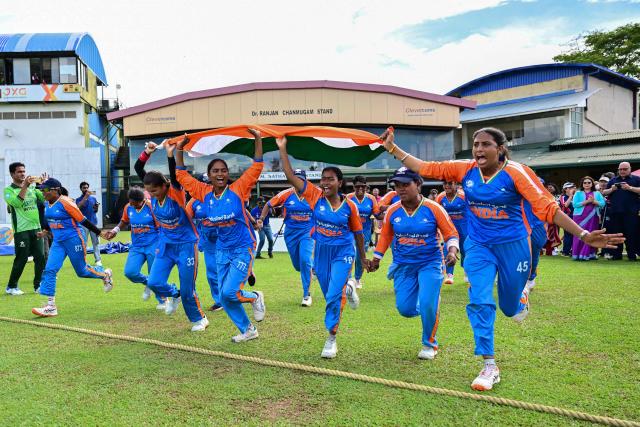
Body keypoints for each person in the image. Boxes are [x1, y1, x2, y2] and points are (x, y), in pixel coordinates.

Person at [379, 126, 623, 391]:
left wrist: (583, 233)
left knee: (508, 308)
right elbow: (426, 167)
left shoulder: (515, 173)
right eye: (475, 144)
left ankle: (519, 296)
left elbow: (548, 208)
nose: (479, 150)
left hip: (514, 247)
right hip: (479, 246)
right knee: (480, 300)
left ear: (501, 149)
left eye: (485, 145)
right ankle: (489, 364)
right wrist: (392, 148)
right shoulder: (466, 169)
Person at [275, 135, 367, 359]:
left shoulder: (350, 207)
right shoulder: (315, 197)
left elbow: (359, 235)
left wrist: (363, 260)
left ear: (340, 182)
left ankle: (331, 338)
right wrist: (282, 149)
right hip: (322, 254)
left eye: (330, 179)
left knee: (333, 296)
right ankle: (348, 288)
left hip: (343, 253)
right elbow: (290, 176)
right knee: (330, 295)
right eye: (323, 179)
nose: (325, 183)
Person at [174, 129, 266, 342]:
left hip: (243, 247)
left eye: (223, 170)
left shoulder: (239, 189)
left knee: (231, 292)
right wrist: (180, 148)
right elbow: (181, 174)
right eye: (215, 171)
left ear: (228, 173)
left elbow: (257, 165)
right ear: (210, 175)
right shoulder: (203, 192)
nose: (220, 174)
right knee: (224, 297)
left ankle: (255, 297)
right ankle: (248, 330)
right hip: (222, 249)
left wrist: (258, 139)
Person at [371, 167, 459, 360]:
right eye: (397, 185)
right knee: (406, 309)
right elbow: (386, 235)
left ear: (418, 184)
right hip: (403, 265)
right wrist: (377, 258)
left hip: (430, 262)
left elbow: (451, 233)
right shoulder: (393, 211)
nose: (401, 189)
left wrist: (452, 251)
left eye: (406, 184)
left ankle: (429, 344)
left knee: (427, 303)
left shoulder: (434, 208)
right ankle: (430, 305)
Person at [134, 141, 208, 332]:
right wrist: (146, 153)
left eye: (154, 190)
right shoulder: (153, 197)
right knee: (154, 282)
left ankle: (200, 318)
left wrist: (170, 154)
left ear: (165, 186)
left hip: (186, 245)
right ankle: (173, 294)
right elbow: (138, 168)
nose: (150, 194)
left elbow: (175, 175)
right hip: (166, 244)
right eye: (148, 191)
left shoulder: (175, 193)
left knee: (187, 289)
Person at [31, 177, 113, 317]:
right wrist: (45, 231)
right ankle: (51, 306)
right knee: (50, 270)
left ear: (56, 190)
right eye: (41, 190)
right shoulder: (47, 203)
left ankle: (105, 274)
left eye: (45, 190)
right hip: (58, 242)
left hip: (74, 239)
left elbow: (83, 220)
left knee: (81, 271)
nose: (43, 192)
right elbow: (49, 220)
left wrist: (100, 233)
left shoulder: (66, 202)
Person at [103, 188, 167, 310]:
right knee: (130, 272)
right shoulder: (129, 207)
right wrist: (115, 230)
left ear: (142, 200)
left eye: (134, 203)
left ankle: (163, 300)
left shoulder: (151, 206)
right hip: (137, 246)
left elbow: (161, 227)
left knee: (154, 273)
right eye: (130, 202)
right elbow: (124, 221)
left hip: (153, 244)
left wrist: (161, 245)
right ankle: (148, 283)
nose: (132, 205)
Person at [259, 169, 315, 306]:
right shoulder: (286, 194)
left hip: (307, 233)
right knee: (298, 265)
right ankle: (313, 268)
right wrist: (261, 219)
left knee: (305, 260)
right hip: (291, 234)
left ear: (305, 180)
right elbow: (268, 204)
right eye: (295, 179)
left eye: (301, 179)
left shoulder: (313, 194)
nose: (298, 182)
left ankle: (306, 294)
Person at [4, 162, 47, 295]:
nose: (23, 174)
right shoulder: (8, 190)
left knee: (41, 256)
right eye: (19, 172)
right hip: (21, 231)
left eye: (24, 171)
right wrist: (25, 186)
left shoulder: (33, 189)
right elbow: (16, 203)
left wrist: (43, 184)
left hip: (36, 228)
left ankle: (38, 285)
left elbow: (44, 198)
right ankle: (11, 286)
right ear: (12, 174)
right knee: (21, 259)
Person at [185, 195, 222, 312]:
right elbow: (186, 220)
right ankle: (220, 301)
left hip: (226, 236)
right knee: (212, 271)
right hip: (208, 239)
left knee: (229, 267)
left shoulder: (223, 196)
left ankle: (234, 295)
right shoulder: (193, 201)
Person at [346, 176, 380, 289]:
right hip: (350, 231)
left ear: (366, 187)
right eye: (357, 186)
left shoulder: (371, 199)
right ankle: (349, 278)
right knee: (350, 254)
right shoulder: (348, 198)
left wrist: (389, 211)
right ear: (353, 187)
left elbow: (377, 214)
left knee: (360, 256)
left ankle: (357, 279)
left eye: (363, 186)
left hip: (365, 232)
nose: (360, 188)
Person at [602, 162, 640, 261]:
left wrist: (629, 188)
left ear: (630, 169)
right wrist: (612, 189)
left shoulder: (636, 179)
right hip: (615, 212)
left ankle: (632, 255)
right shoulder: (613, 180)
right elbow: (604, 193)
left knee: (631, 234)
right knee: (616, 234)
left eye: (625, 169)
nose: (622, 171)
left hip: (631, 212)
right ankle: (616, 255)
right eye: (620, 169)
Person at [436, 181, 468, 285]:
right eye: (445, 184)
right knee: (448, 249)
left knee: (465, 250)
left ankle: (467, 272)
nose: (447, 186)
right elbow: (435, 212)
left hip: (464, 228)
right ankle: (449, 275)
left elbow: (473, 211)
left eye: (450, 183)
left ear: (456, 185)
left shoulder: (464, 196)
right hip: (448, 229)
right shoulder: (441, 197)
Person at [571, 176, 606, 261]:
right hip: (579, 217)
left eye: (589, 182)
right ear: (582, 184)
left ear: (592, 184)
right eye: (585, 183)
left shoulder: (597, 193)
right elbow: (575, 204)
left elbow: (602, 204)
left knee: (591, 234)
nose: (587, 184)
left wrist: (594, 202)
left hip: (593, 217)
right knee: (579, 234)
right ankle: (577, 254)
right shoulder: (578, 193)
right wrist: (587, 202)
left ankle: (590, 254)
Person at [76, 182, 102, 266]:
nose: (86, 189)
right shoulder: (78, 199)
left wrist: (96, 208)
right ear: (81, 189)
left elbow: (95, 211)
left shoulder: (93, 199)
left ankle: (98, 260)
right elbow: (78, 207)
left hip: (93, 223)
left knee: (96, 242)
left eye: (87, 187)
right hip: (84, 224)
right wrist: (85, 197)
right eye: (84, 188)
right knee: (84, 243)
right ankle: (83, 260)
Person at [543, 183, 561, 256]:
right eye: (548, 187)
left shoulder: (559, 196)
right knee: (546, 233)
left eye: (551, 187)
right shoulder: (543, 196)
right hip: (545, 218)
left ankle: (554, 248)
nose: (549, 188)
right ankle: (545, 248)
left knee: (555, 232)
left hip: (556, 216)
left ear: (555, 188)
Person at [559, 182, 576, 256]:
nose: (573, 189)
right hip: (567, 218)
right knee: (568, 235)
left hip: (576, 217)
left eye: (573, 187)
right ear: (565, 189)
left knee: (576, 235)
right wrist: (571, 196)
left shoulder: (577, 196)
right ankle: (565, 251)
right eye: (570, 188)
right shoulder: (562, 197)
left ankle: (574, 251)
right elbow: (565, 205)